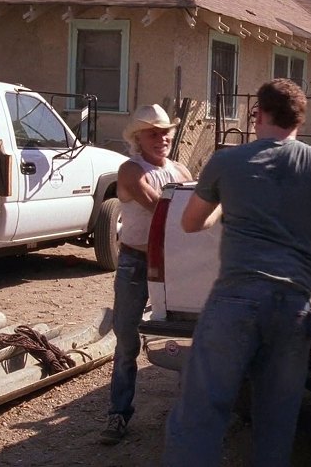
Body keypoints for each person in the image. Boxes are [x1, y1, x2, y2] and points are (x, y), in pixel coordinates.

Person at [164, 79, 311, 466]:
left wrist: (230, 201)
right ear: (299, 119)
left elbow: (192, 223)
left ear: (259, 113)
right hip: (293, 308)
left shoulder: (226, 162)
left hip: (234, 302)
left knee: (202, 412)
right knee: (277, 419)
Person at [100, 104, 192, 445]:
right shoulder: (130, 170)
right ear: (138, 138)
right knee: (126, 341)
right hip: (136, 263)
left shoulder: (180, 170)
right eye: (153, 133)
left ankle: (186, 415)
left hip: (174, 265)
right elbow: (162, 209)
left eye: (165, 132)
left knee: (183, 336)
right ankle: (118, 413)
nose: (162, 138)